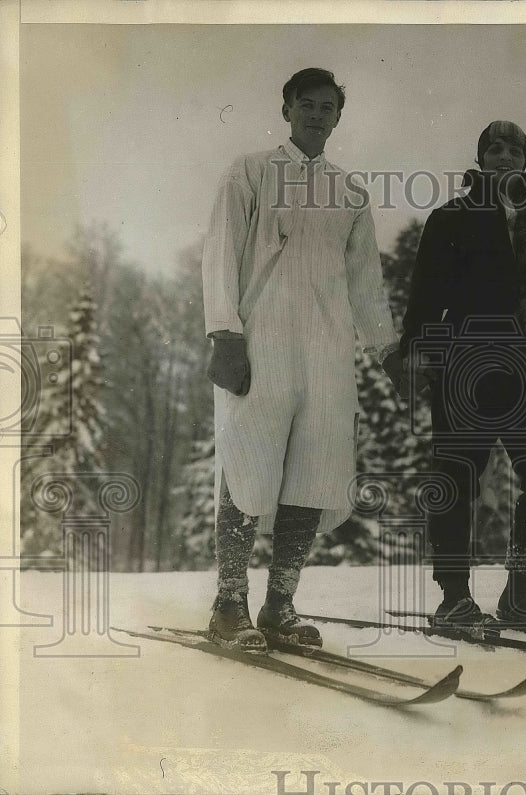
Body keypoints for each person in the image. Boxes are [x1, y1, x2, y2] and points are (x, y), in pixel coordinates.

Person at [201, 68, 402, 651]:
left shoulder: (349, 192)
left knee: (313, 472)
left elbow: (365, 282)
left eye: (328, 107)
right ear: (286, 109)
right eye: (306, 104)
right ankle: (228, 605)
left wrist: (386, 347)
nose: (317, 115)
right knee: (248, 464)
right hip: (261, 343)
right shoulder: (251, 172)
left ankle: (279, 607)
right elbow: (220, 252)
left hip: (328, 350)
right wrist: (225, 333)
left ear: (339, 116)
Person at [399, 120, 526, 632]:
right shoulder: (451, 218)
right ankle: (454, 599)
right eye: (495, 148)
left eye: (515, 150)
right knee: (456, 478)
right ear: (481, 158)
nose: (505, 157)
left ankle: (520, 594)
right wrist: (420, 358)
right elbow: (423, 299)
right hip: (469, 368)